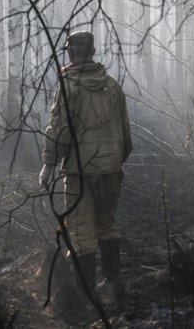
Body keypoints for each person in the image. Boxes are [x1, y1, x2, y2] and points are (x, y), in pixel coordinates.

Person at [39, 31, 132, 305]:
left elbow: (59, 130)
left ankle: (87, 295)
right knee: (107, 224)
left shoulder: (69, 86)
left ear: (71, 53)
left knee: (80, 231)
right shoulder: (112, 85)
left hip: (81, 170)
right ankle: (113, 284)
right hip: (111, 168)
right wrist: (114, 159)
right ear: (92, 51)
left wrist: (48, 165)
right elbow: (126, 133)